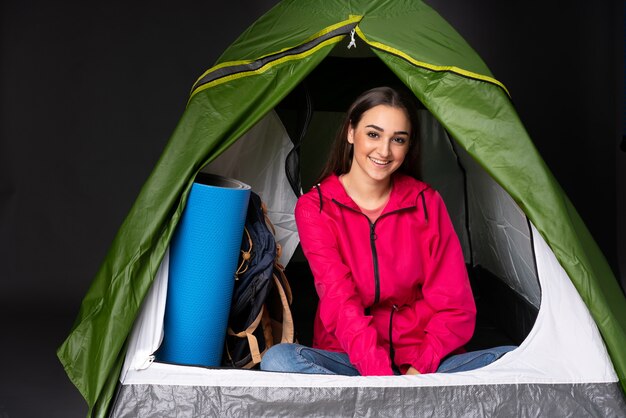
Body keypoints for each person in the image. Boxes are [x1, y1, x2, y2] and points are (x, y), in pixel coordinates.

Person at [261, 86, 514, 376]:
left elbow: (456, 306)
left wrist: (418, 370)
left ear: (408, 146)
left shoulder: (426, 202)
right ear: (350, 132)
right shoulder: (314, 207)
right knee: (279, 361)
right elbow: (341, 304)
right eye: (373, 134)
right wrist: (383, 382)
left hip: (424, 367)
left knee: (514, 359)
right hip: (353, 363)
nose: (384, 150)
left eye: (398, 139)